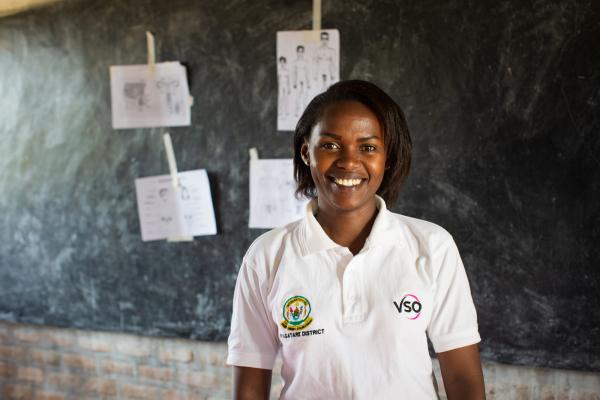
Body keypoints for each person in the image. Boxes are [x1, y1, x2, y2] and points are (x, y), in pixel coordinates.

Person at [227, 80, 485, 399]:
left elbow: (463, 379)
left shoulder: (431, 245)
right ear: (307, 153)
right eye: (331, 145)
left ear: (387, 157)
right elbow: (250, 384)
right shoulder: (267, 256)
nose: (349, 162)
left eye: (368, 147)